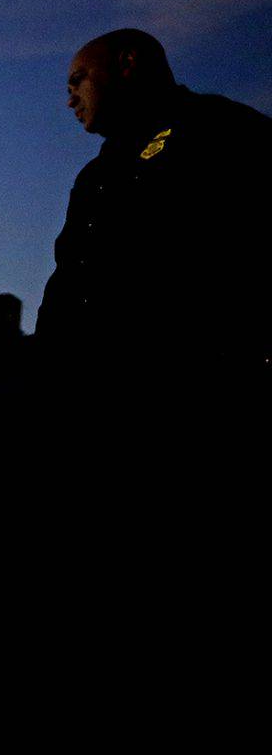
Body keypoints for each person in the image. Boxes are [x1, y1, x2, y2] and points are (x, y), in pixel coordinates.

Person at [41, 28, 270, 466]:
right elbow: (68, 278)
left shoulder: (222, 131)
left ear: (127, 63)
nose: (70, 98)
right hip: (93, 407)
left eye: (79, 80)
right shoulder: (96, 175)